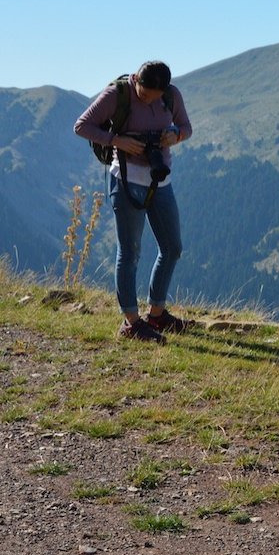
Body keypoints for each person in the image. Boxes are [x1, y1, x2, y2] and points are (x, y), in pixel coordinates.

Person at [74, 60, 193, 343]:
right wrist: (117, 140)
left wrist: (175, 135)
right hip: (126, 181)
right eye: (144, 94)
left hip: (160, 181)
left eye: (154, 96)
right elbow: (81, 126)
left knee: (173, 247)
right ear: (136, 79)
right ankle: (131, 322)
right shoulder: (119, 94)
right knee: (130, 252)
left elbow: (187, 127)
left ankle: (157, 314)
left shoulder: (171, 95)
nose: (148, 99)